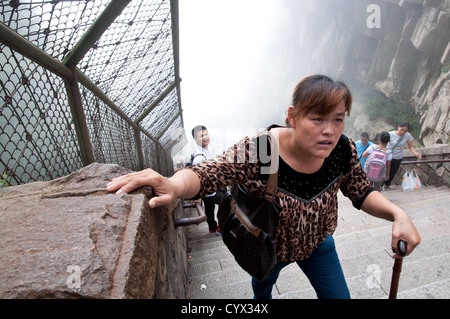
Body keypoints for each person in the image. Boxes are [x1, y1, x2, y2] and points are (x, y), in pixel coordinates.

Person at [106, 74, 421, 299]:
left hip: (318, 245)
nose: (329, 131)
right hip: (268, 248)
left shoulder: (343, 149)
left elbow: (362, 191)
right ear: (292, 117)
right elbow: (209, 172)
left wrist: (397, 213)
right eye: (318, 119)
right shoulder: (262, 150)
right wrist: (173, 185)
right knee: (263, 287)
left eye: (338, 120)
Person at [191, 125, 223, 235]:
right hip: (209, 191)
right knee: (228, 203)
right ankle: (221, 228)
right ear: (195, 139)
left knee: (209, 209)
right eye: (201, 136)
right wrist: (198, 196)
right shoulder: (199, 157)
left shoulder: (206, 152)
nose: (205, 137)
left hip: (209, 190)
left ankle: (212, 228)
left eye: (206, 134)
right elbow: (196, 177)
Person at [384, 122, 422, 189]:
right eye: (401, 129)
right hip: (388, 157)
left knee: (392, 172)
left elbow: (410, 147)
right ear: (398, 126)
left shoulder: (407, 136)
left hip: (398, 158)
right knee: (384, 171)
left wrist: (415, 153)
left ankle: (386, 185)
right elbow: (383, 144)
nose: (402, 132)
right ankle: (379, 186)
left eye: (405, 131)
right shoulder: (390, 134)